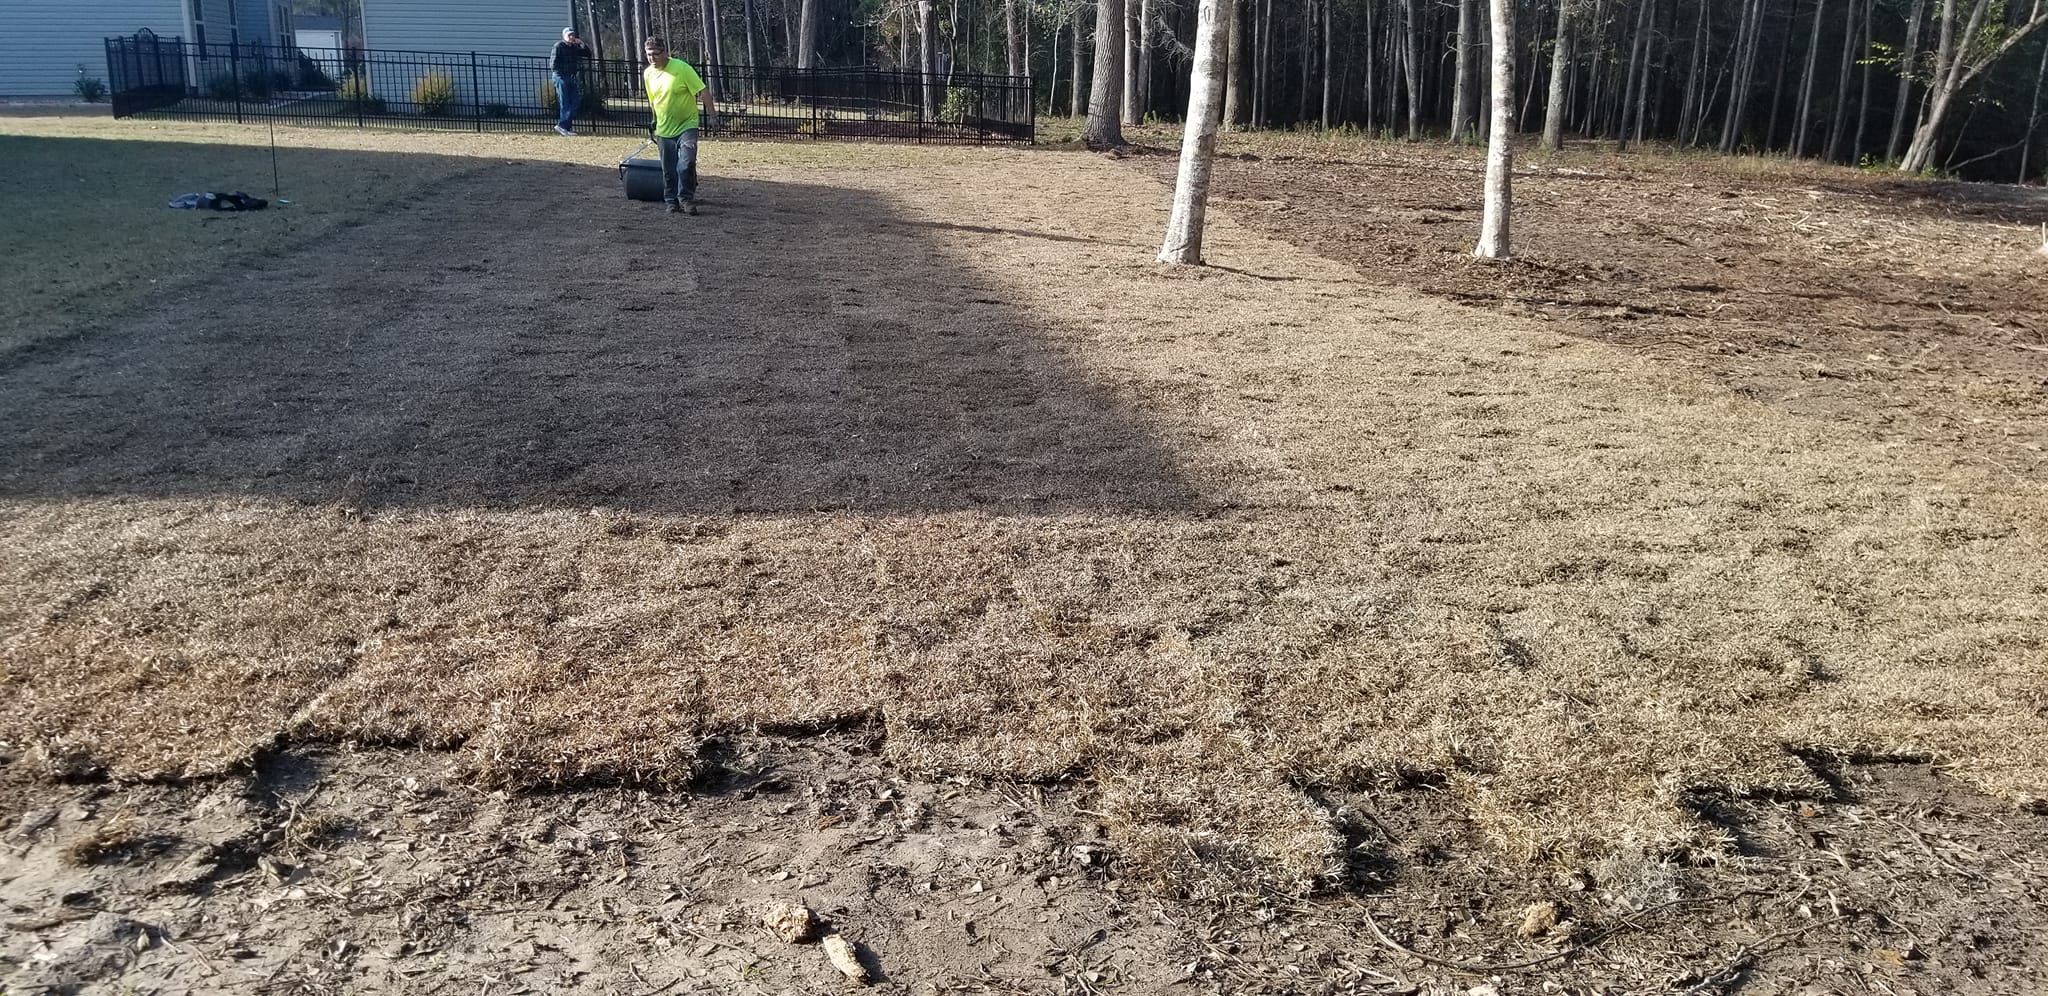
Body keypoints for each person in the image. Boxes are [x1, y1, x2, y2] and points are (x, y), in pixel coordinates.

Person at [642, 37, 715, 215]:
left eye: (655, 54)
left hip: (687, 126)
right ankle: (671, 201)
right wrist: (654, 120)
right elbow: (653, 100)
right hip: (664, 129)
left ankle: (686, 199)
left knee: (686, 163)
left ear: (665, 52)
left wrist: (713, 115)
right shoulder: (648, 74)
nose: (652, 58)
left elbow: (703, 90)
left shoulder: (682, 69)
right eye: (649, 54)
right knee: (669, 169)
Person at [551, 27, 592, 136]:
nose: (571, 37)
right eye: (569, 35)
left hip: (570, 76)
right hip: (561, 77)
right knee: (565, 102)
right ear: (564, 36)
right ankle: (563, 126)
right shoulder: (558, 46)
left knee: (575, 101)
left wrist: (581, 43)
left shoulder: (574, 47)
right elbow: (553, 64)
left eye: (573, 35)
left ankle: (564, 126)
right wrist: (561, 75)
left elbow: (588, 54)